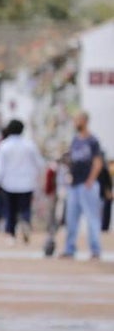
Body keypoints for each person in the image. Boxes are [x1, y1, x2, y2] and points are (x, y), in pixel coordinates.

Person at [0, 119, 45, 244]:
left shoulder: (4, 145)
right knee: (25, 208)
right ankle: (25, 221)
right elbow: (40, 163)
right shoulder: (29, 145)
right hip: (27, 183)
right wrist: (38, 177)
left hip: (8, 183)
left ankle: (11, 235)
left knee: (10, 210)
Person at [60, 111, 105, 260]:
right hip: (74, 184)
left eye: (77, 120)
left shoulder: (92, 141)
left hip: (87, 185)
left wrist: (91, 180)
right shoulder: (75, 140)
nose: (75, 123)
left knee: (92, 217)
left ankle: (95, 249)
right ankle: (69, 248)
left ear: (84, 121)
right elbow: (72, 159)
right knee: (71, 218)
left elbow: (98, 162)